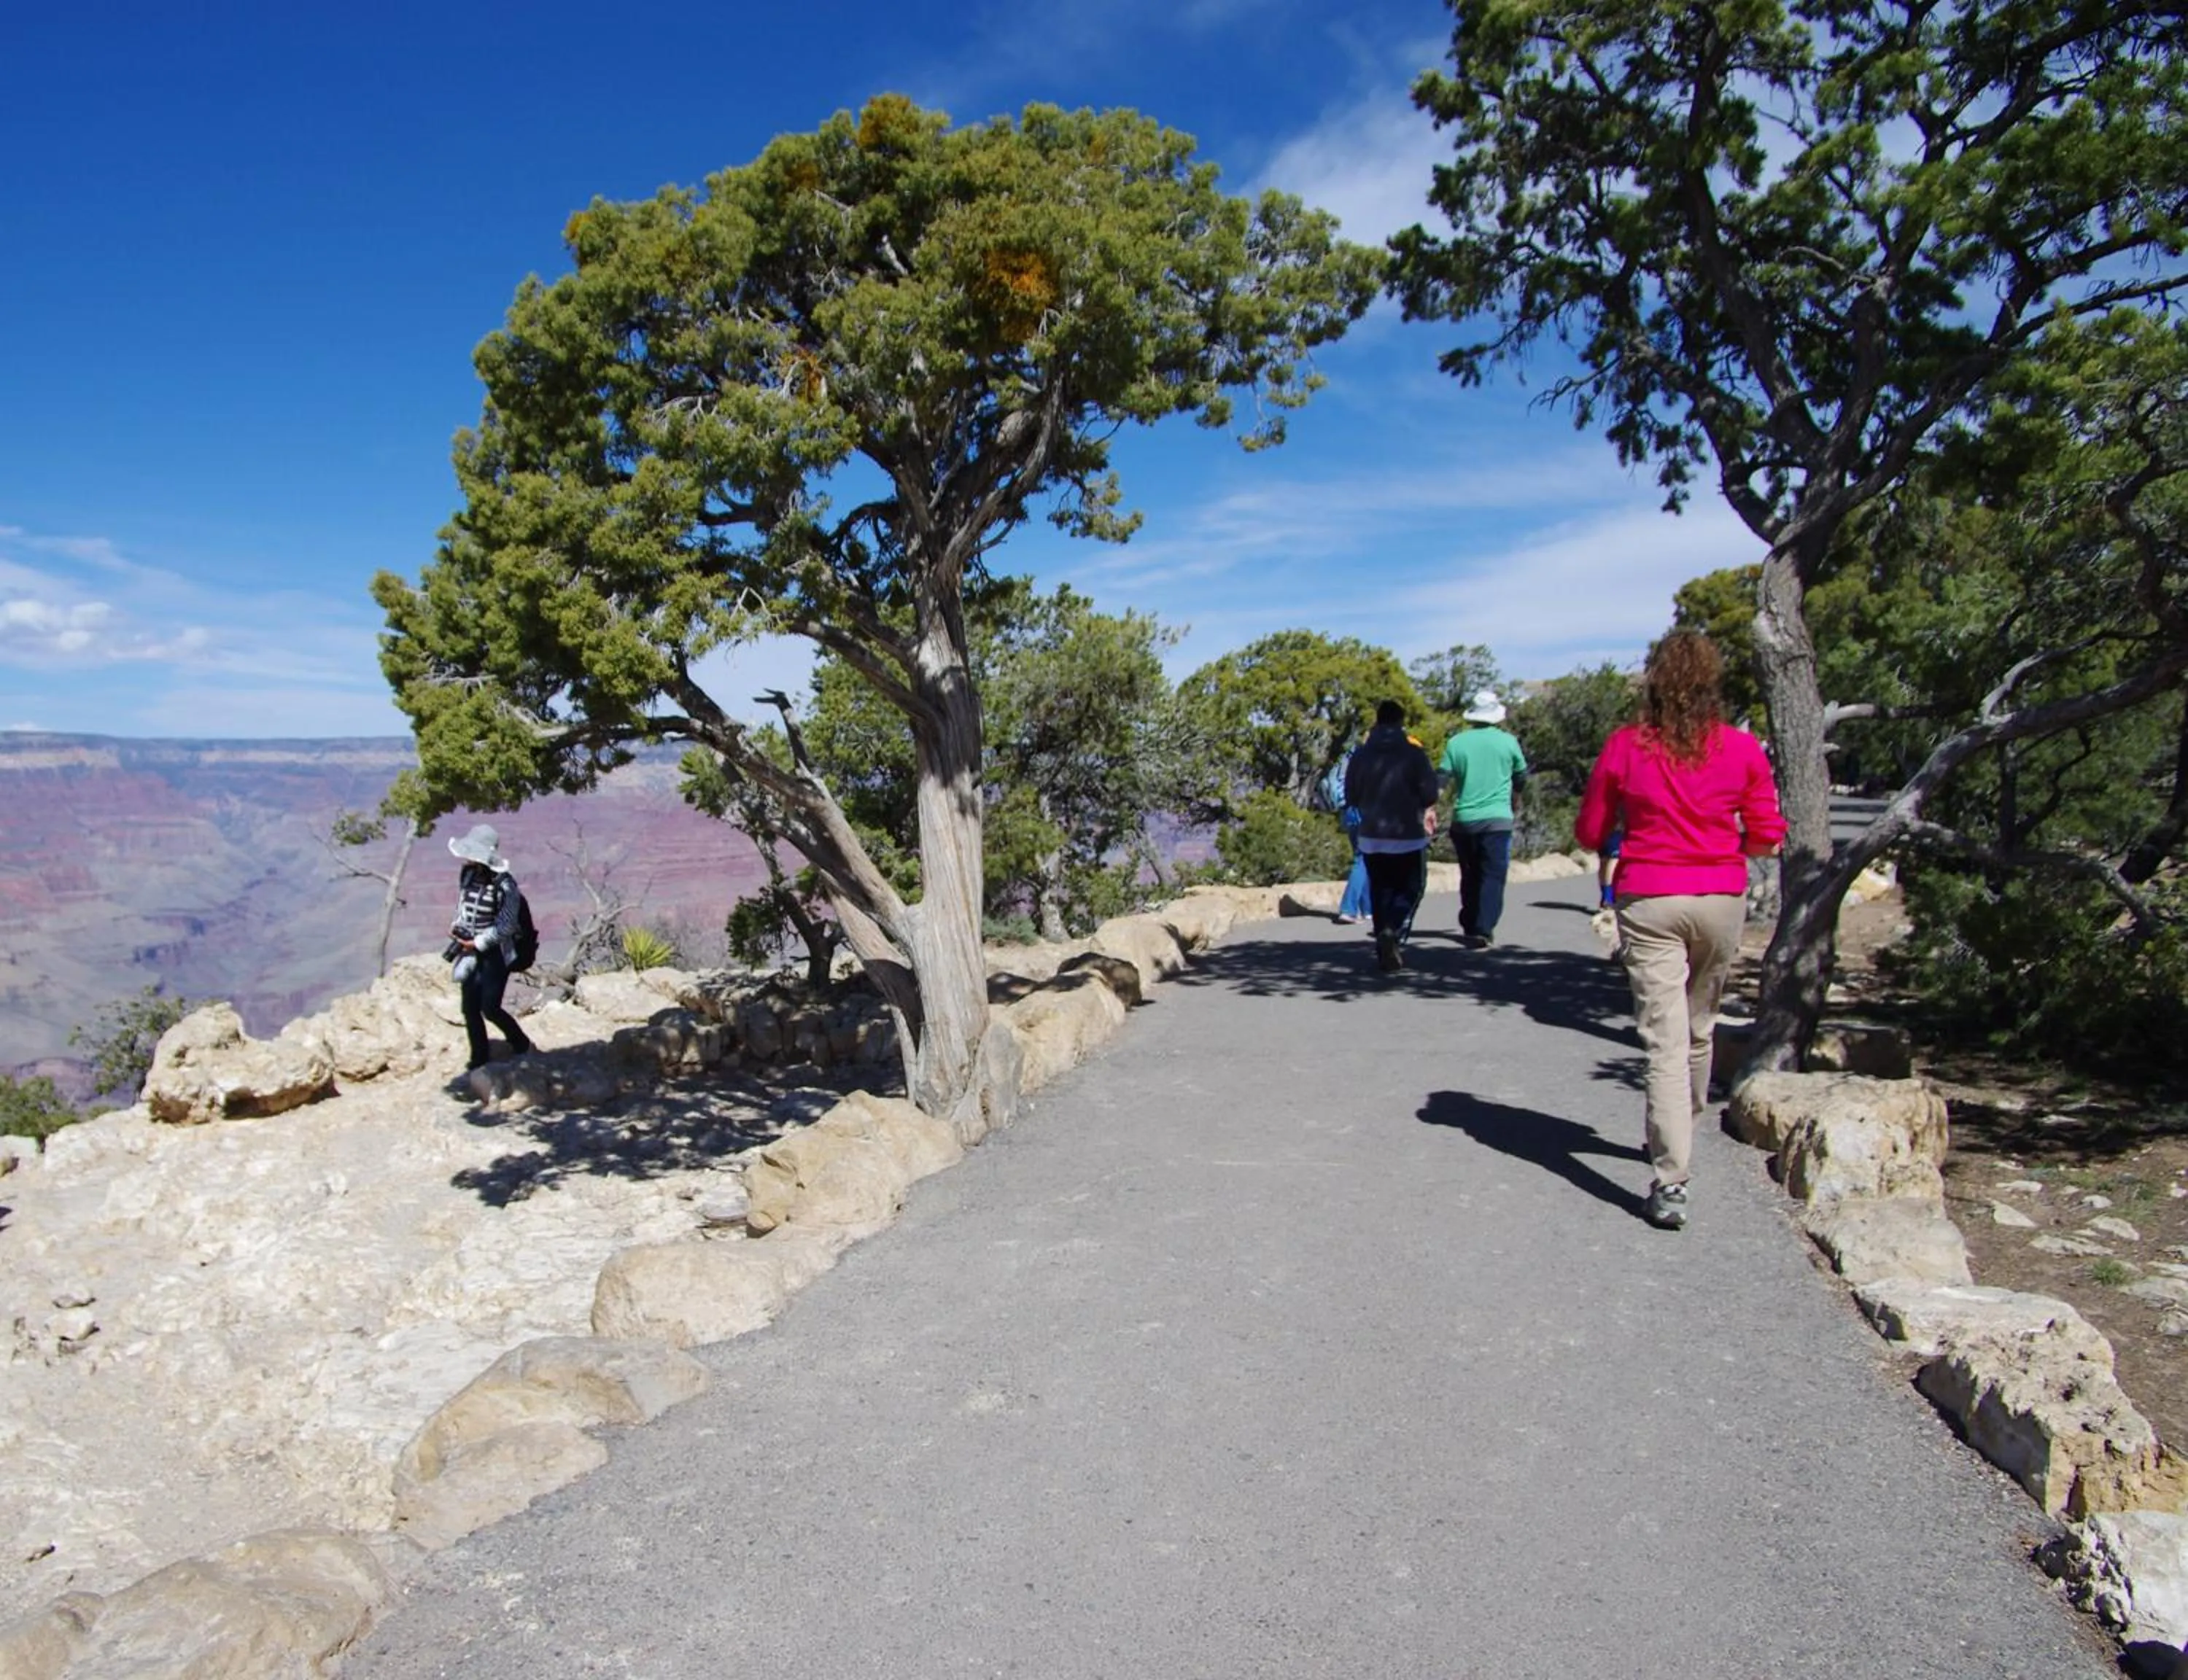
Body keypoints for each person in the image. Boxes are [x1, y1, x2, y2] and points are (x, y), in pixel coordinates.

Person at [1575, 631, 1784, 1231]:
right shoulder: (1742, 750)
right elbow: (1769, 833)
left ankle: (1672, 1177)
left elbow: (1592, 829)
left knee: (1664, 1041)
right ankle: (1680, 1134)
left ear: (1654, 682)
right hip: (1719, 895)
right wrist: (1729, 848)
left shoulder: (1626, 747)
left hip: (1650, 897)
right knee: (1699, 1027)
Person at [1343, 701, 1441, 972]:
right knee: (1411, 888)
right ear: (1401, 722)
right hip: (1407, 834)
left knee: (1380, 888)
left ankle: (1384, 937)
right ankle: (1393, 929)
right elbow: (1430, 794)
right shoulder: (1414, 754)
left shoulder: (1360, 756)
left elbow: (1351, 795)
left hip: (1372, 834)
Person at [1437, 690, 1528, 947]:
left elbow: (1442, 778)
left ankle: (1469, 920)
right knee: (1492, 875)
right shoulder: (1508, 742)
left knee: (1470, 872)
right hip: (1497, 819)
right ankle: (1484, 927)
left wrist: (1430, 806)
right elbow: (1521, 776)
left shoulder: (1457, 743)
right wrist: (1515, 797)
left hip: (1464, 819)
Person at [446, 823, 534, 1072]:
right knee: (469, 1007)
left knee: (490, 1007)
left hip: (496, 953)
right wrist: (457, 927)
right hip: (469, 948)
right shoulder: (467, 875)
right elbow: (462, 907)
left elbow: (506, 926)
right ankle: (479, 1058)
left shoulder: (506, 886)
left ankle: (521, 1044)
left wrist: (478, 942)